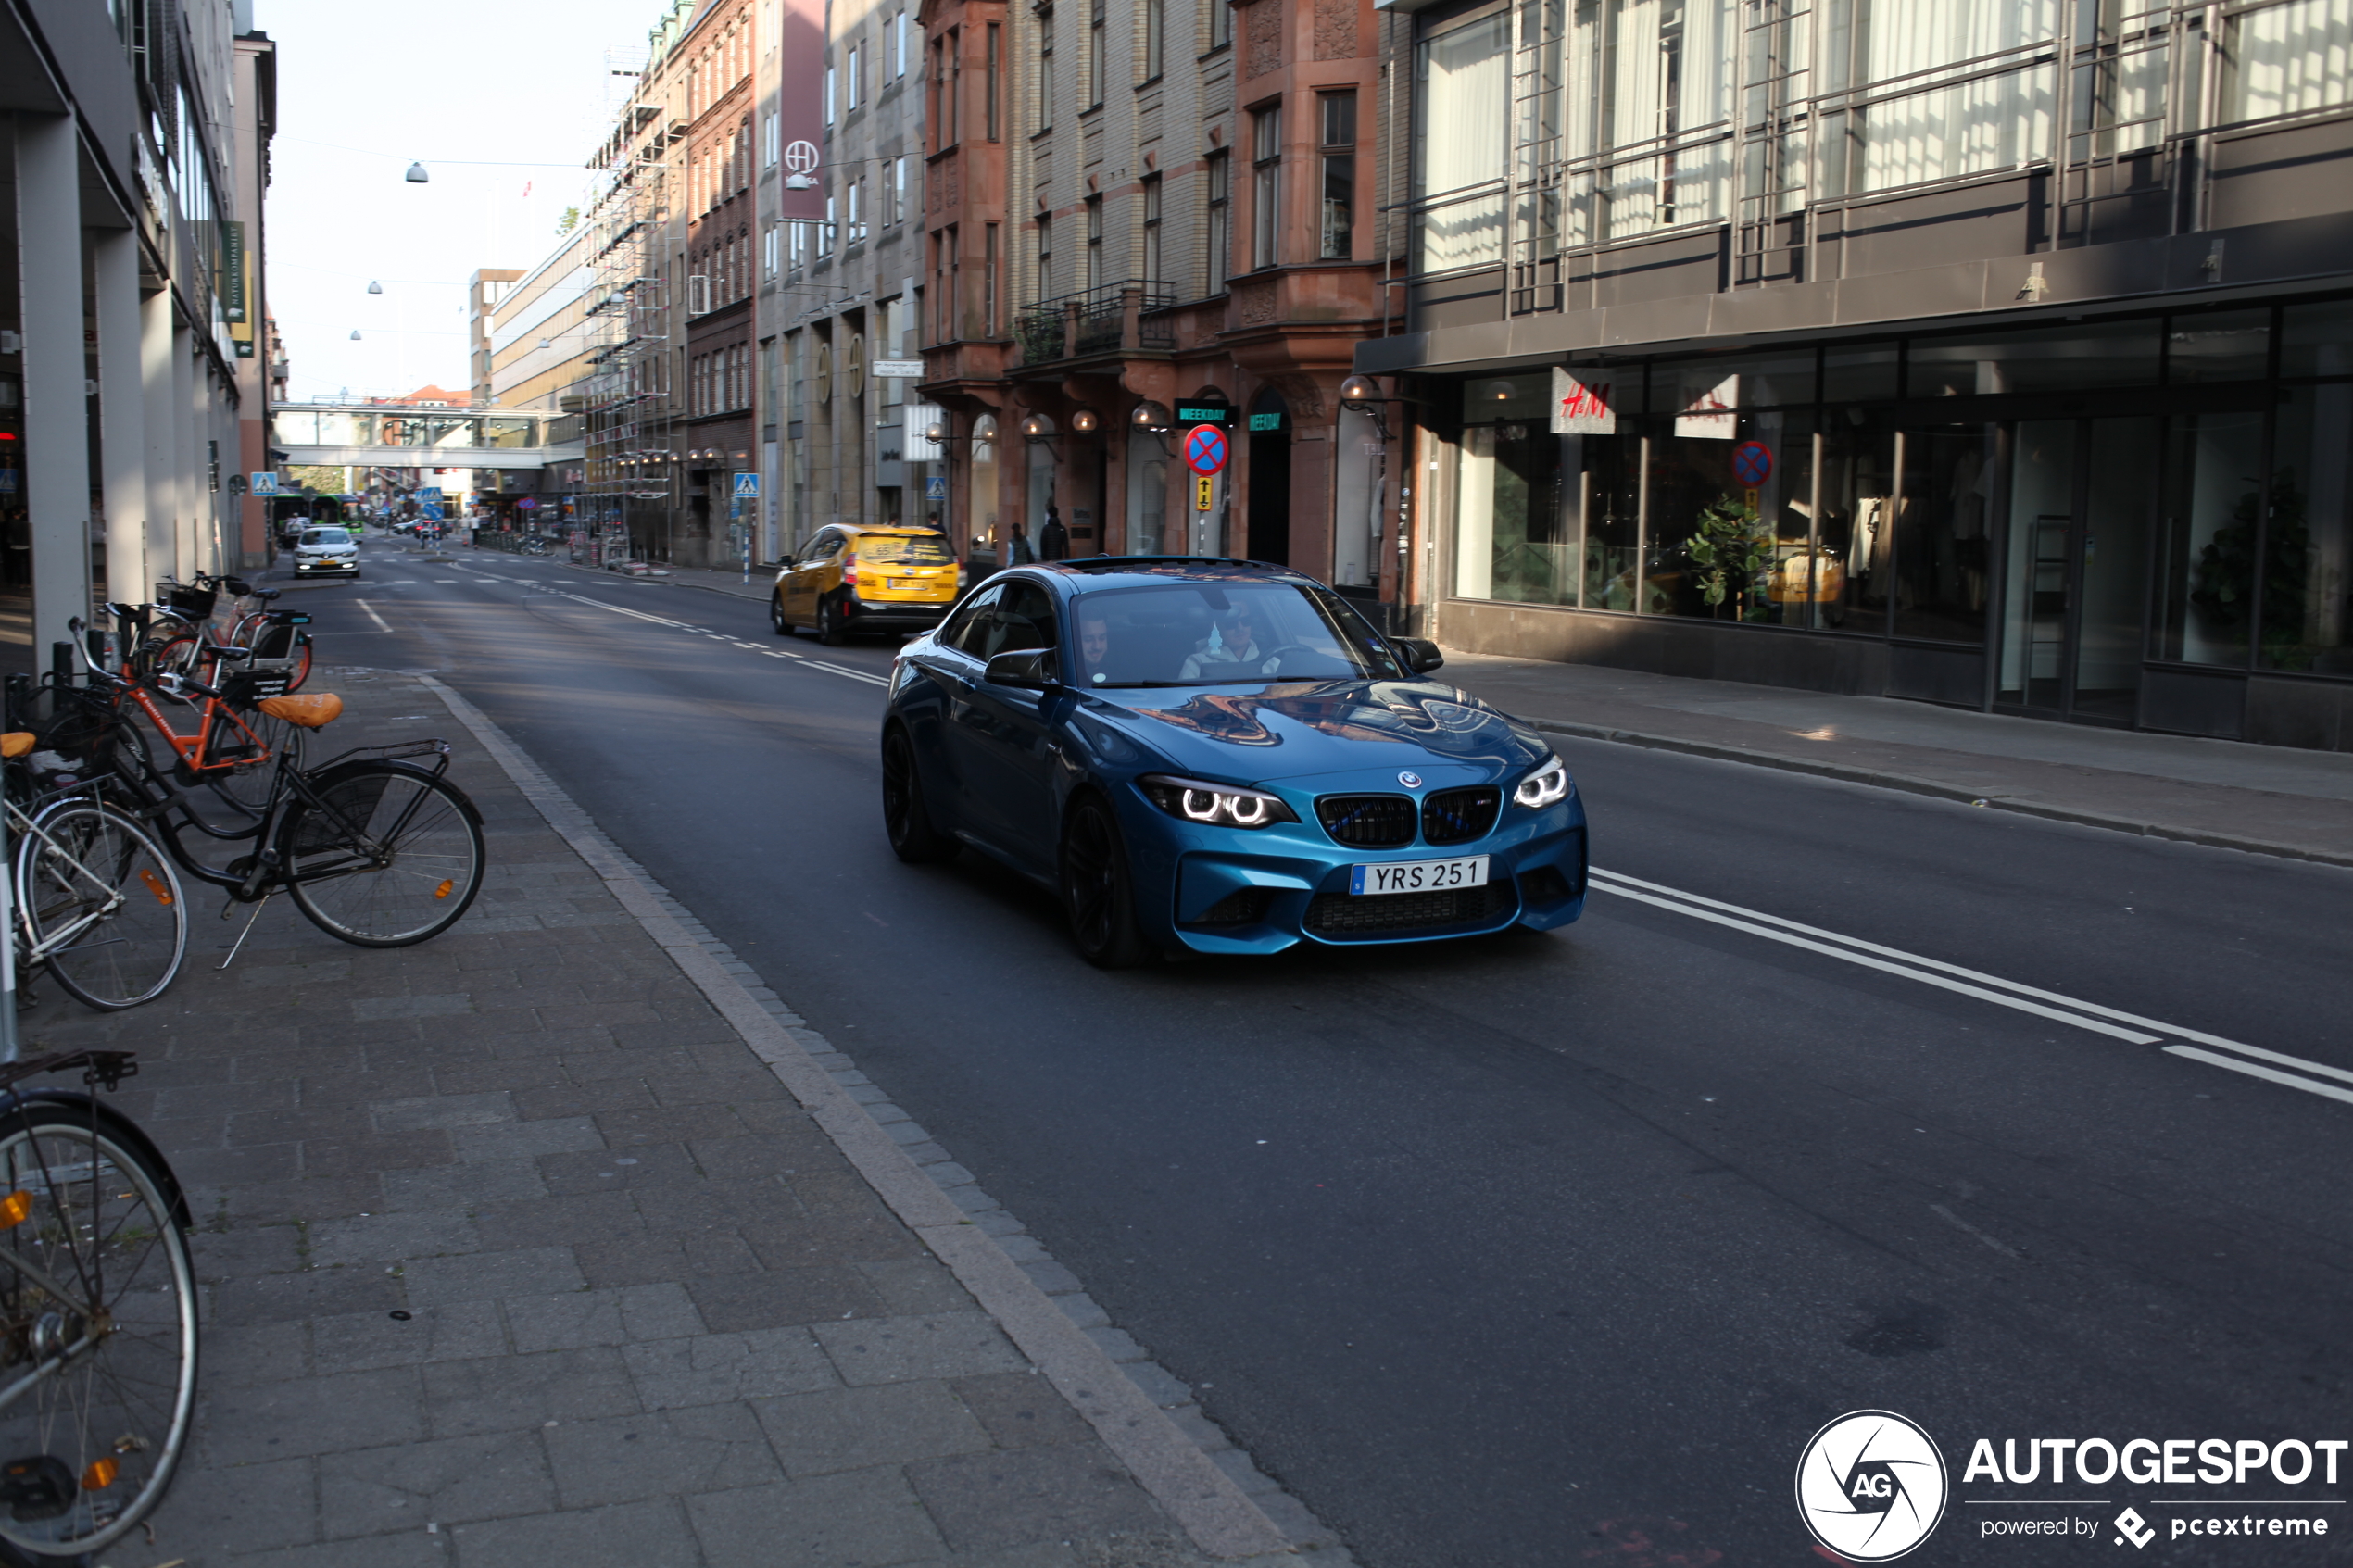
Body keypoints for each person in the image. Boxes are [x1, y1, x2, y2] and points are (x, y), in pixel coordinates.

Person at [1179, 605, 1272, 681]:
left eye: (1246, 621)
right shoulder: (1197, 662)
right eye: (1231, 623)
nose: (1240, 628)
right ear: (1214, 627)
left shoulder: (1270, 660)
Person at [1077, 609, 1113, 684]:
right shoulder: (1061, 675)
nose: (1097, 646)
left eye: (1102, 638)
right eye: (1088, 639)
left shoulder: (1124, 672)